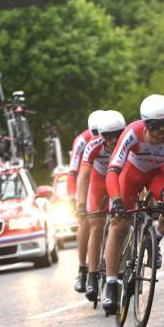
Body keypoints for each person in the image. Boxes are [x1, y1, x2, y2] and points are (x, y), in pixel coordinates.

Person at [101, 95, 164, 315]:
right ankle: (111, 284)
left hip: (158, 172)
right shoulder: (132, 133)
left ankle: (155, 239)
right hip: (131, 174)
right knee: (118, 225)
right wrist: (116, 200)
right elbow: (113, 170)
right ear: (145, 124)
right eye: (155, 127)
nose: (162, 132)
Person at [74, 111, 126, 302]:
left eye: (116, 135)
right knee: (95, 226)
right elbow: (83, 175)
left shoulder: (127, 141)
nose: (112, 141)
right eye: (106, 136)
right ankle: (92, 274)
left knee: (122, 220)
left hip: (119, 179)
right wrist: (80, 204)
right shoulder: (91, 145)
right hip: (98, 181)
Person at [68, 110, 102, 294]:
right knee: (86, 222)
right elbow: (73, 172)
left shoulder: (112, 136)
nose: (99, 138)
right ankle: (82, 268)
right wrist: (74, 199)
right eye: (95, 134)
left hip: (105, 176)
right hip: (87, 179)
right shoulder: (82, 140)